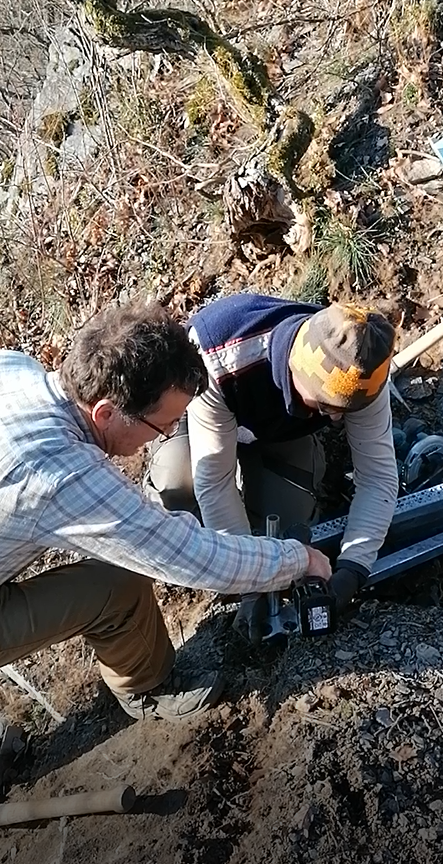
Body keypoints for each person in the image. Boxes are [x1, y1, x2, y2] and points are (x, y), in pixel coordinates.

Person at [0, 303, 331, 723]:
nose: (171, 434)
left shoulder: (14, 371)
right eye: (163, 426)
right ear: (105, 412)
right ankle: (146, 690)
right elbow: (187, 555)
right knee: (117, 584)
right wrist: (298, 559)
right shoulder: (59, 475)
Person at [146, 295, 399, 642]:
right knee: (176, 482)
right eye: (326, 407)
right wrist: (247, 581)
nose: (337, 418)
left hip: (275, 430)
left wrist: (354, 568)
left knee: (288, 526)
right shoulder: (220, 354)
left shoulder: (364, 373)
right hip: (202, 414)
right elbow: (215, 481)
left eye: (344, 410)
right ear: (297, 369)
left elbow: (378, 477)